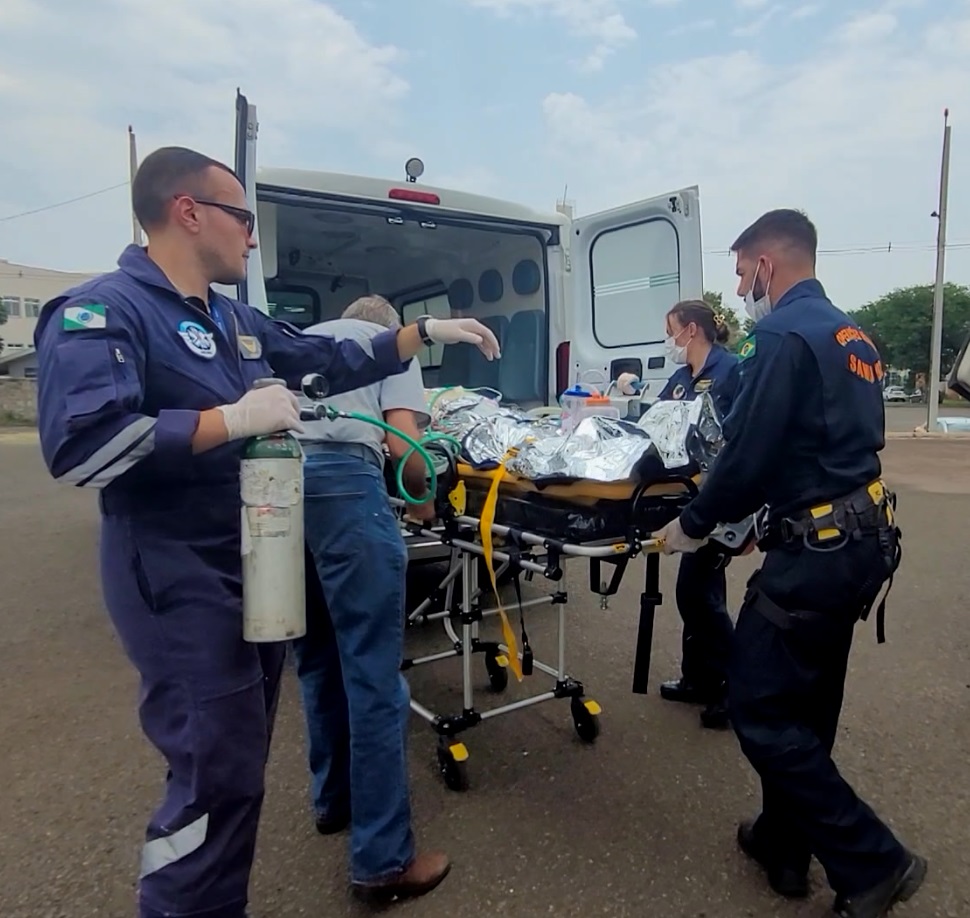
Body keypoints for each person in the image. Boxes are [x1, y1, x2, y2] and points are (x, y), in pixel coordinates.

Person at [32, 146, 500, 918]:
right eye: (241, 218)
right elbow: (82, 444)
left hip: (247, 565)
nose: (252, 237)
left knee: (240, 766)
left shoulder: (231, 320)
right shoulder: (104, 309)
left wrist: (420, 334)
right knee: (211, 778)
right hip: (175, 576)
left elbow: (320, 356)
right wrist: (230, 420)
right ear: (188, 211)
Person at [656, 209, 925, 918]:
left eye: (742, 271)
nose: (741, 285)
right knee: (808, 703)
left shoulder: (777, 335)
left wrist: (694, 525)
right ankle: (782, 841)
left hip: (817, 553)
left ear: (766, 263)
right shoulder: (852, 334)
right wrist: (765, 519)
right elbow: (822, 443)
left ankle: (874, 862)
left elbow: (748, 454)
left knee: (758, 705)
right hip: (859, 541)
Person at [290, 294, 445, 904]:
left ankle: (333, 803)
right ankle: (382, 862)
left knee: (317, 658)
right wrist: (425, 506)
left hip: (277, 484)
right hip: (344, 490)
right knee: (374, 679)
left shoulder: (304, 340)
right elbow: (406, 453)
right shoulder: (390, 346)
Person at [653, 300, 739, 730]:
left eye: (671, 330)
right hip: (690, 496)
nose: (669, 339)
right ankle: (700, 678)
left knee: (699, 593)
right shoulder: (682, 376)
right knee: (695, 591)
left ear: (691, 330)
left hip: (722, 496)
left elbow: (741, 437)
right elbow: (658, 420)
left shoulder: (732, 370)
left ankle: (734, 689)